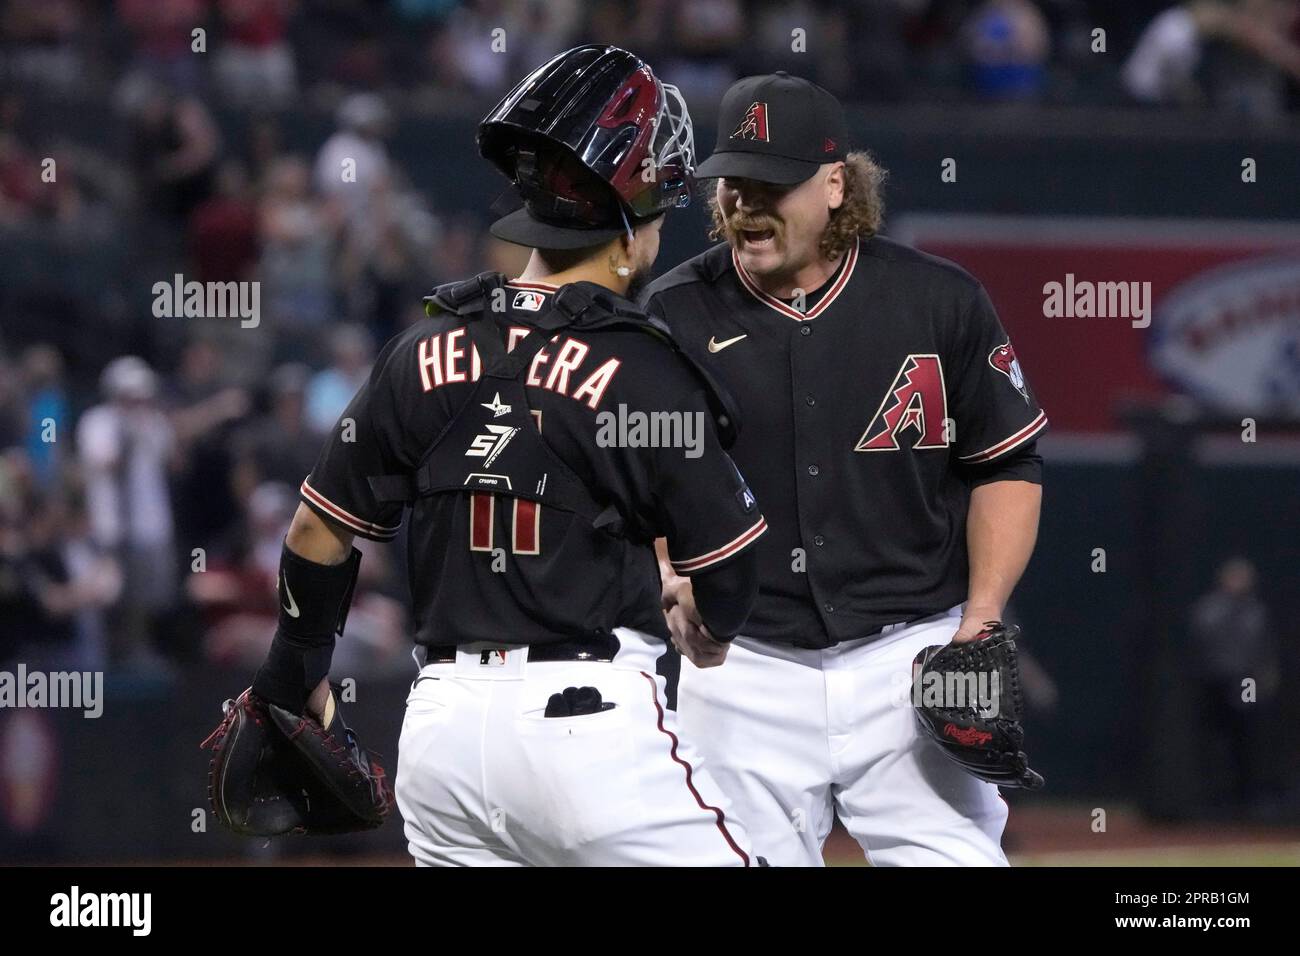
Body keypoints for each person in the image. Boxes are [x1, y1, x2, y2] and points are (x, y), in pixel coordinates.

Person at [244, 45, 767, 866]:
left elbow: (317, 533)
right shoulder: (641, 366)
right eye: (660, 214)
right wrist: (708, 626)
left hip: (441, 737)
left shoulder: (422, 348)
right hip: (586, 730)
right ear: (629, 227)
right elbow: (731, 574)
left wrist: (291, 671)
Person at [643, 72, 1049, 866]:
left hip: (915, 656)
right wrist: (671, 570)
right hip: (744, 664)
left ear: (836, 184)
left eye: (771, 185)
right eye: (732, 184)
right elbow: (647, 474)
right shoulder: (674, 312)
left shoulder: (938, 301)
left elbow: (1007, 462)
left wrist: (984, 615)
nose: (744, 205)